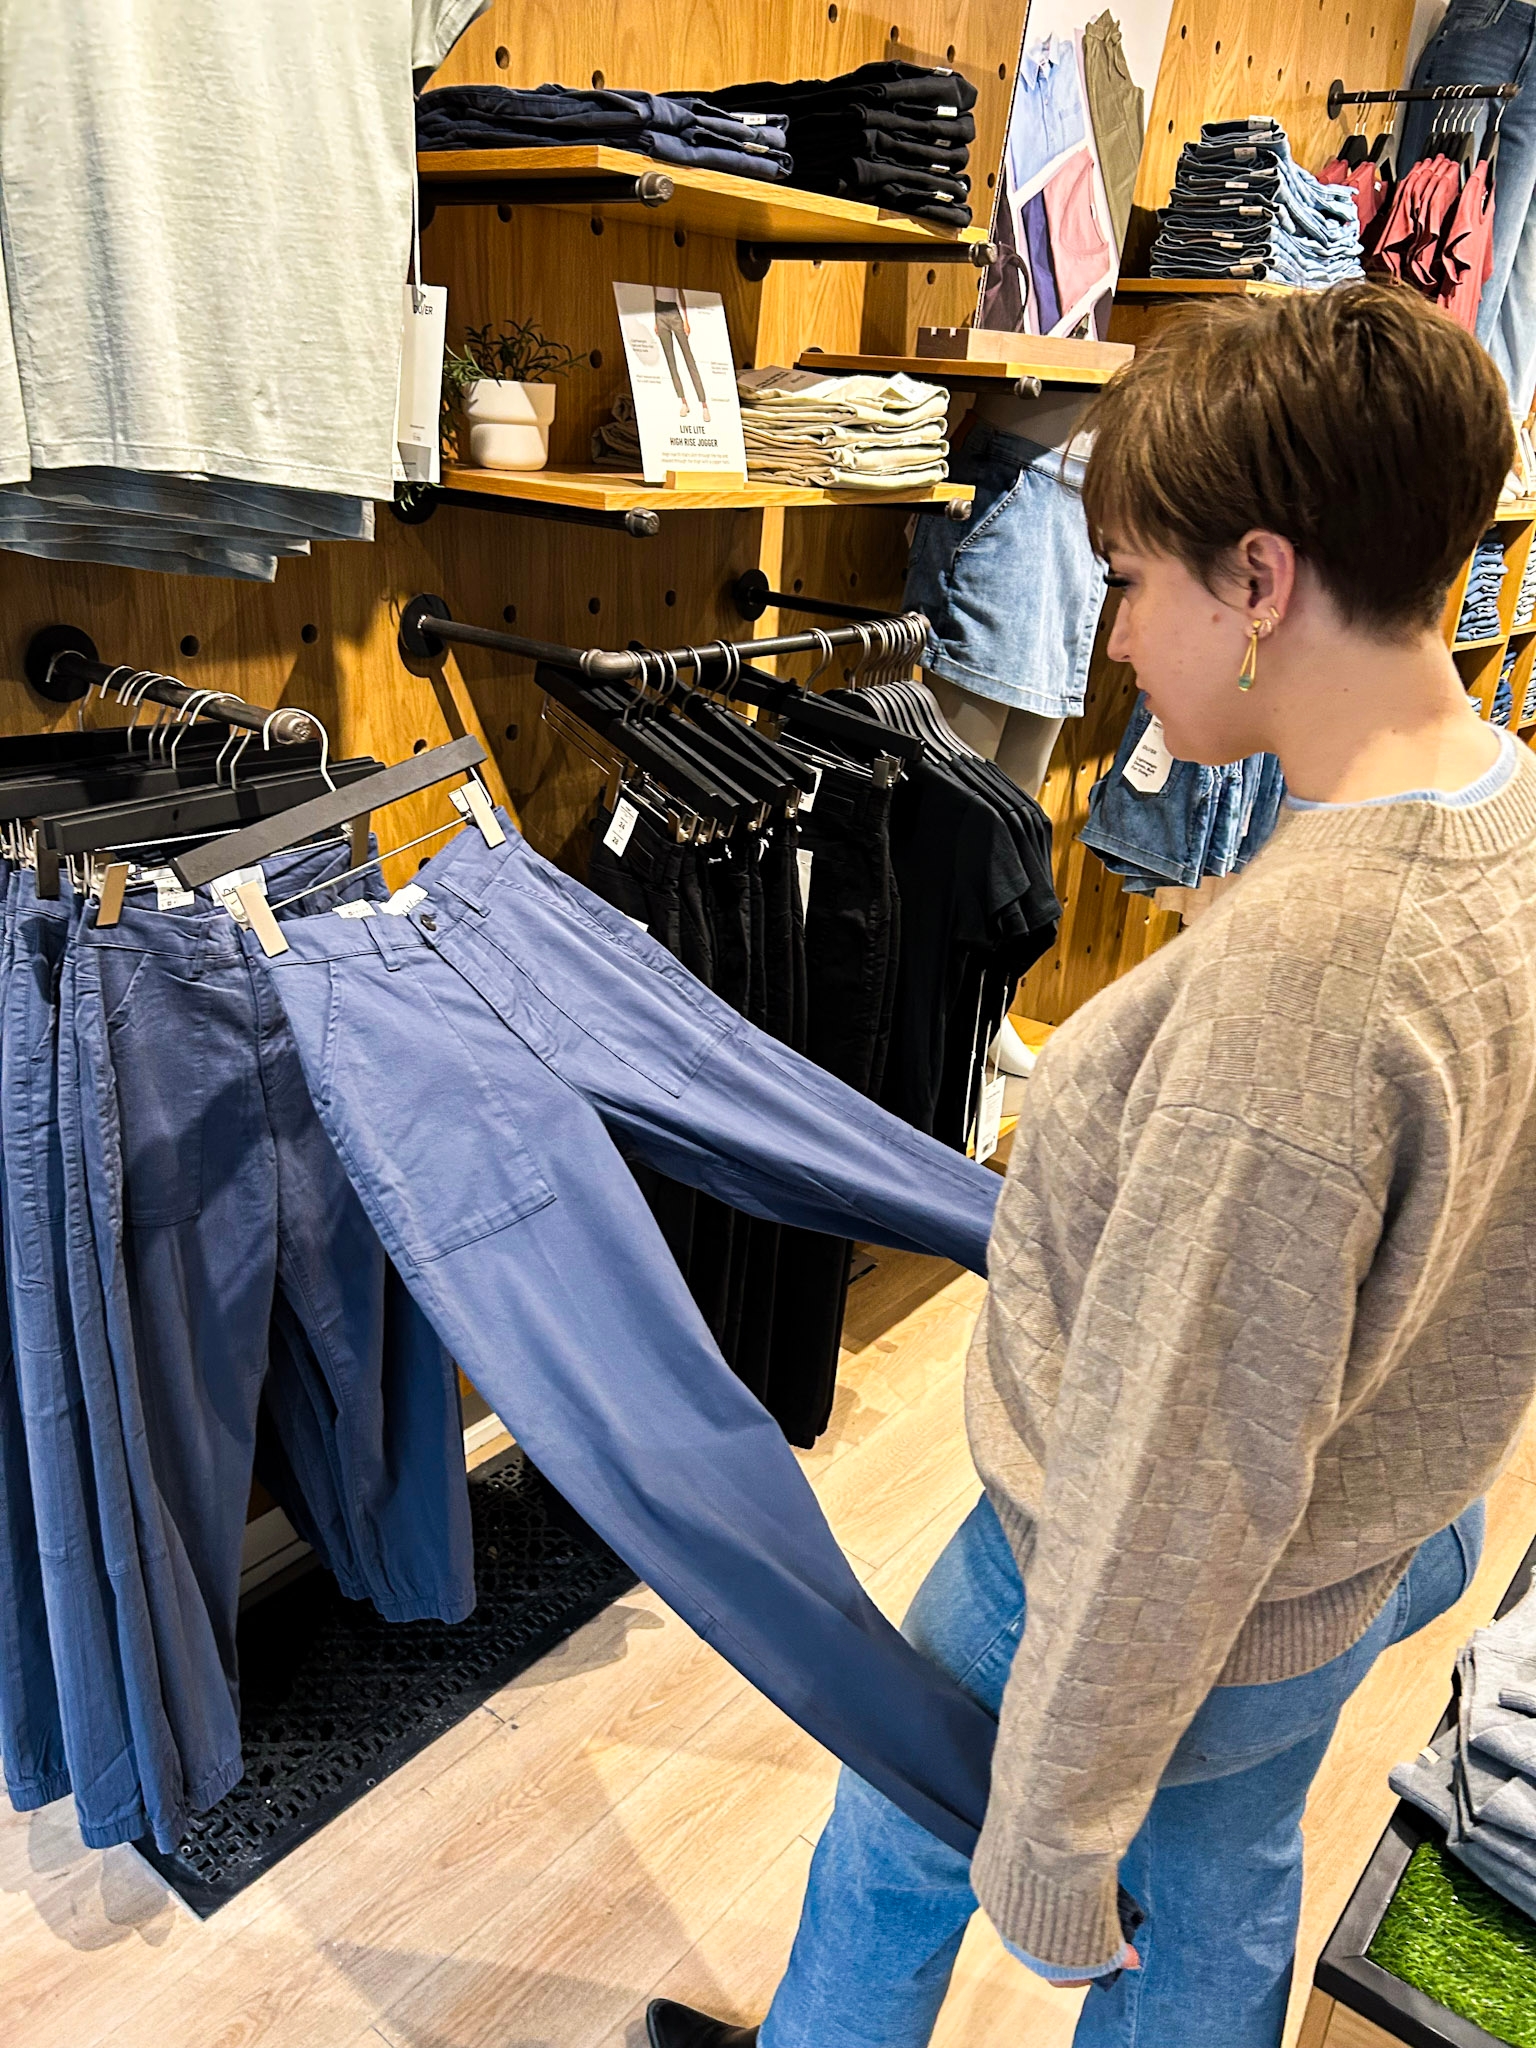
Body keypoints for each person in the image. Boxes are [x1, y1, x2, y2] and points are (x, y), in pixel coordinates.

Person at [647, 280, 1536, 2048]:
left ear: (1260, 581)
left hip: (1144, 1575)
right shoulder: (1495, 809)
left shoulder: (1307, 993)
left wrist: (1053, 1832)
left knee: (905, 1834)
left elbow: (1176, 1468)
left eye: (1128, 580)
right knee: (1220, 1878)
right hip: (1362, 1544)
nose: (1113, 636)